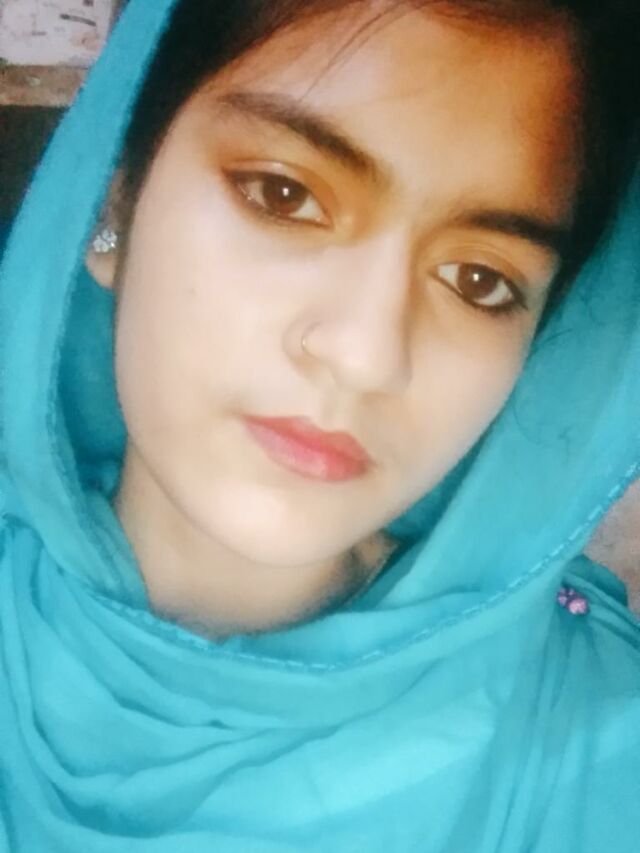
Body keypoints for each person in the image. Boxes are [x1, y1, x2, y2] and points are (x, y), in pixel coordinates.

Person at [0, 0, 638, 849]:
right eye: (285, 194)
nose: (367, 355)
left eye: (479, 280)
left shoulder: (601, 755)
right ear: (117, 192)